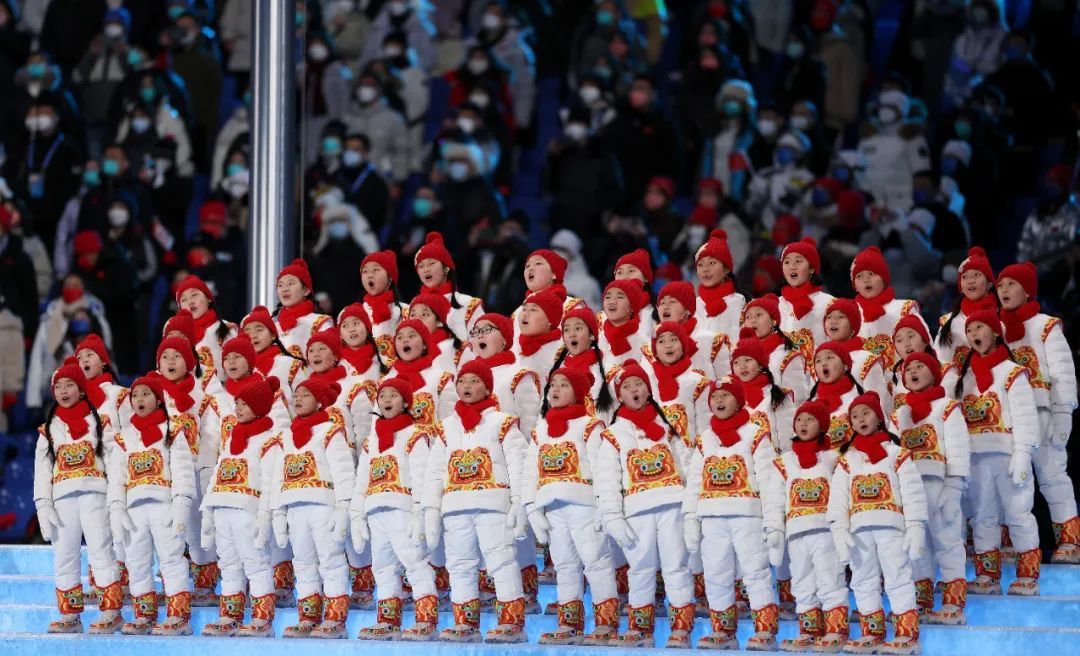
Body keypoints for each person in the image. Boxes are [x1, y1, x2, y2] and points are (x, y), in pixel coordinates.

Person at [421, 358, 530, 643]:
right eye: (463, 381)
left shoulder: (503, 423)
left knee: (501, 560)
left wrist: (519, 502)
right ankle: (465, 623)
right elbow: (434, 473)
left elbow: (519, 465)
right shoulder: (446, 427)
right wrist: (431, 509)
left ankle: (512, 624)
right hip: (455, 506)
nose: (467, 386)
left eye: (475, 381)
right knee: (459, 564)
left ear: (488, 387)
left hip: (493, 504)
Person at [594, 361, 695, 647]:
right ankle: (640, 629)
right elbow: (607, 479)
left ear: (648, 391)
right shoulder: (613, 435)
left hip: (672, 504)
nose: (634, 390)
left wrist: (692, 508)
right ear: (620, 397)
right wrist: (613, 516)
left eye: (638, 384)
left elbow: (686, 466)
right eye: (626, 387)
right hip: (636, 510)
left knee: (677, 565)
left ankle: (681, 629)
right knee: (639, 568)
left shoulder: (667, 428)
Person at [524, 366, 619, 646]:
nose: (555, 390)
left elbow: (602, 468)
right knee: (565, 564)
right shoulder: (541, 429)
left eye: (564, 385)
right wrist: (532, 507)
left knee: (596, 561)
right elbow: (531, 471)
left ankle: (605, 622)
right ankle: (569, 622)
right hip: (553, 507)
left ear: (578, 392)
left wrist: (604, 505)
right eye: (553, 384)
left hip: (584, 505)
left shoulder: (590, 426)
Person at [683, 376, 779, 650]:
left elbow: (769, 480)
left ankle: (765, 630)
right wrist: (691, 517)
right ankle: (723, 630)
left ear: (739, 399)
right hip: (712, 517)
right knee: (716, 573)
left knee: (755, 572)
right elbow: (694, 481)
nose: (719, 401)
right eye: (714, 397)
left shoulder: (756, 433)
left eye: (725, 395)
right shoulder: (705, 439)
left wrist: (772, 522)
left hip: (747, 515)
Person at [828, 391, 927, 655]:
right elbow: (838, 498)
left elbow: (912, 492)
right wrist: (839, 527)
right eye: (855, 415)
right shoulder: (847, 460)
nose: (861, 419)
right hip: (859, 530)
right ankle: (872, 630)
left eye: (866, 413)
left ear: (879, 418)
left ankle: (907, 633)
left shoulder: (897, 454)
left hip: (891, 528)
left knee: (898, 576)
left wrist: (915, 525)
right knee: (862, 579)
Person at [996, 262, 1079, 563]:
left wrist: (1063, 412)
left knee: (1052, 476)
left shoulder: (1045, 325)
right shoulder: (995, 329)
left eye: (1011, 284)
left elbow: (1063, 373)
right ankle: (1012, 544)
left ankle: (1070, 541)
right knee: (1009, 480)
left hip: (1041, 410)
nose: (1004, 290)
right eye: (1001, 285)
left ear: (1028, 290)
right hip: (1007, 416)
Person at [34, 359, 123, 634]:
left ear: (82, 390)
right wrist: (43, 507)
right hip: (62, 503)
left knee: (100, 552)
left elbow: (115, 464)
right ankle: (69, 615)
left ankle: (111, 611)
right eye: (58, 386)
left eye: (70, 384)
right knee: (65, 555)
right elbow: (41, 473)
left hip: (95, 496)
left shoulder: (100, 423)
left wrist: (116, 501)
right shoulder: (48, 430)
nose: (63, 390)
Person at [350, 376, 439, 641]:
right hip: (376, 509)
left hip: (402, 509)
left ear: (406, 402)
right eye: (383, 395)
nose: (387, 400)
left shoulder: (415, 435)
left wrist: (420, 511)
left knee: (414, 561)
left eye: (393, 395)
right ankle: (388, 619)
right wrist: (356, 513)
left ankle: (426, 619)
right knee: (382, 565)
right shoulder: (371, 440)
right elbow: (361, 480)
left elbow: (422, 476)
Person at [108, 375, 196, 636]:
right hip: (135, 510)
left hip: (163, 506)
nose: (139, 399)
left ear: (158, 400)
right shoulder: (124, 438)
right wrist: (116, 509)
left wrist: (180, 505)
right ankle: (144, 613)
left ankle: (178, 615)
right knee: (136, 561)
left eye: (146, 394)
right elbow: (117, 478)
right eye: (135, 395)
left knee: (171, 559)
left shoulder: (172, 431)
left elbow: (182, 471)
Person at [762, 400, 849, 650]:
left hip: (825, 531)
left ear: (822, 425)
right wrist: (774, 528)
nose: (803, 423)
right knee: (801, 581)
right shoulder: (785, 461)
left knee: (829, 577)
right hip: (796, 532)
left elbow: (843, 493)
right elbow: (775, 498)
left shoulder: (833, 458)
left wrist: (843, 526)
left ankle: (836, 628)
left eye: (810, 419)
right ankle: (809, 628)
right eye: (799, 419)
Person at [272, 378, 355, 638]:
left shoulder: (330, 431)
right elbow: (278, 476)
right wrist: (278, 513)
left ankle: (335, 619)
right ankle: (308, 616)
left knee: (330, 561)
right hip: (295, 508)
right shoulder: (285, 435)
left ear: (320, 401)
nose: (298, 399)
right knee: (303, 562)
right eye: (296, 395)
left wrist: (343, 509)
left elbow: (344, 472)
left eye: (305, 395)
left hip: (323, 506)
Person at [199, 375, 282, 637]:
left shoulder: (269, 440)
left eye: (245, 403)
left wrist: (264, 518)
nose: (238, 408)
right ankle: (230, 615)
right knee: (229, 565)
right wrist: (208, 514)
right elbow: (217, 475)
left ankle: (262, 619)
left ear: (259, 406)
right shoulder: (232, 438)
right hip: (223, 510)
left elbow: (270, 482)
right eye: (236, 402)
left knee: (256, 563)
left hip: (248, 512)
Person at [893, 352, 971, 623]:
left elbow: (959, 448)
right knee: (917, 545)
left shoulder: (947, 407)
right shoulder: (900, 413)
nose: (912, 371)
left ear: (934, 373)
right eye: (908, 368)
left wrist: (954, 488)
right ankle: (921, 599)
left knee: (947, 541)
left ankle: (953, 603)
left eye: (919, 366)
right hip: (909, 489)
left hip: (938, 487)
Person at [850, 246, 927, 370]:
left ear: (884, 279)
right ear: (855, 286)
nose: (866, 280)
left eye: (871, 273)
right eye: (859, 276)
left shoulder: (904, 309)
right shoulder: (848, 314)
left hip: (901, 383)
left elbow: (926, 349)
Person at [935, 247, 998, 373]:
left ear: (990, 283)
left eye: (977, 275)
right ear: (961, 288)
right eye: (965, 277)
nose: (970, 281)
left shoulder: (1002, 315)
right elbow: (939, 362)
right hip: (960, 388)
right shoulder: (948, 321)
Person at [741, 294, 810, 404]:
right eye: (748, 317)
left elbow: (798, 398)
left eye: (759, 315)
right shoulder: (738, 356)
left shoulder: (787, 356)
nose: (752, 320)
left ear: (774, 321)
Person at [779, 238, 835, 365]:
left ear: (811, 268)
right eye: (787, 262)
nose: (792, 266)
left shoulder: (829, 304)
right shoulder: (774, 305)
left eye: (798, 261)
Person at [173, 275, 237, 380]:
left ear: (208, 299)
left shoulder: (226, 328)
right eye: (184, 300)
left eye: (194, 295)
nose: (190, 302)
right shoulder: (178, 336)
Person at [809, 341, 864, 450]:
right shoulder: (809, 407)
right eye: (818, 361)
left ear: (845, 366)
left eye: (829, 358)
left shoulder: (860, 399)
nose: (823, 363)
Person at [272, 259, 333, 356]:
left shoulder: (319, 323)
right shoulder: (273, 328)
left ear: (306, 290)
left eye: (290, 284)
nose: (284, 289)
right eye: (280, 285)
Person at [361, 250, 408, 367]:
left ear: (390, 277)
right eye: (365, 271)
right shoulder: (354, 315)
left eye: (376, 270)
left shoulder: (406, 311)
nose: (370, 275)